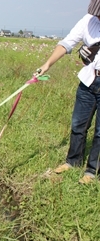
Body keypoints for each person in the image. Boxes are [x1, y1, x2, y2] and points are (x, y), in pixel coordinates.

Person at [36, 0, 100, 184]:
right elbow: (67, 43)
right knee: (78, 124)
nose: (97, 16)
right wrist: (46, 65)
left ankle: (91, 172)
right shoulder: (89, 20)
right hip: (89, 80)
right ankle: (73, 161)